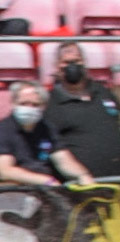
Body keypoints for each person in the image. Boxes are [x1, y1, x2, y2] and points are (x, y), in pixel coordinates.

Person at [0, 81, 94, 187]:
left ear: (43, 107)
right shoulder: (2, 130)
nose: (29, 108)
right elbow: (4, 171)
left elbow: (63, 160)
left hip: (47, 189)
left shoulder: (47, 128)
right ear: (13, 103)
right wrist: (46, 181)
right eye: (23, 103)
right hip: (18, 189)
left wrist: (82, 175)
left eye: (35, 105)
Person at [46, 44, 120, 181]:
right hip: (81, 185)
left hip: (116, 179)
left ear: (84, 64)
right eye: (66, 62)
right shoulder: (50, 103)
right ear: (57, 67)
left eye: (77, 61)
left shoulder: (104, 92)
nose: (72, 66)